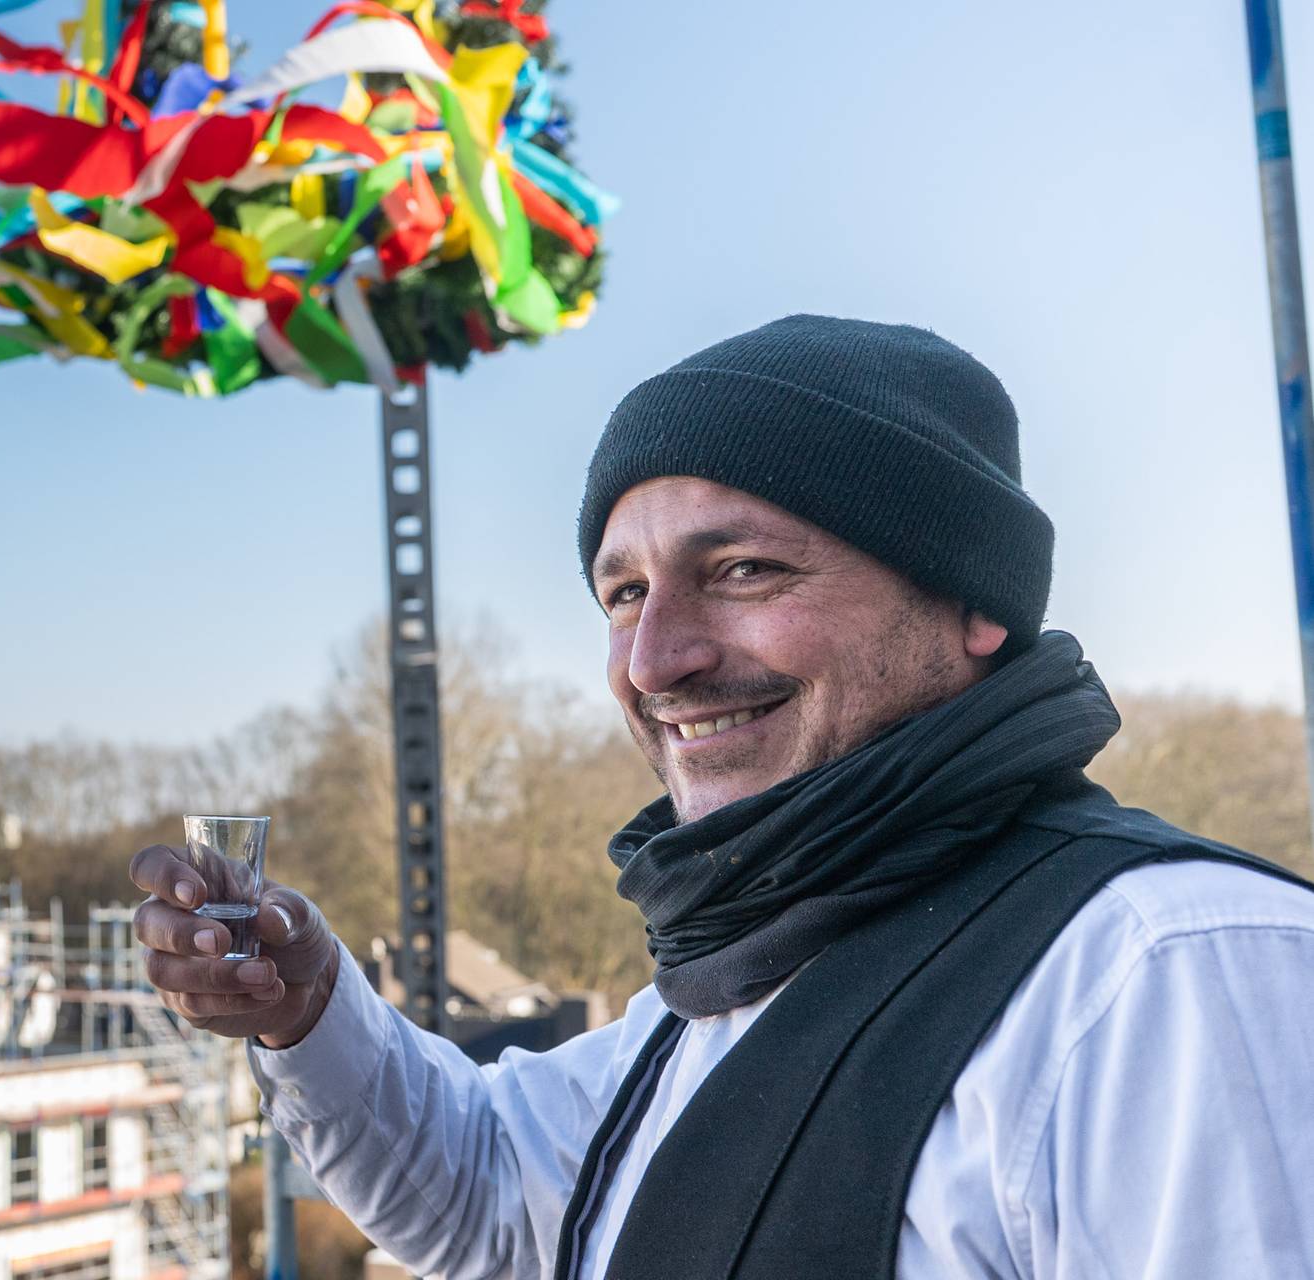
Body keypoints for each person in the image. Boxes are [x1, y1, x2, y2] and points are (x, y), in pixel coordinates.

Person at [129, 316, 1314, 1278]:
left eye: (742, 570)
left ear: (975, 600)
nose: (654, 661)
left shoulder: (1172, 978)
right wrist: (308, 1007)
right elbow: (492, 1193)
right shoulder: (723, 986)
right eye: (624, 592)